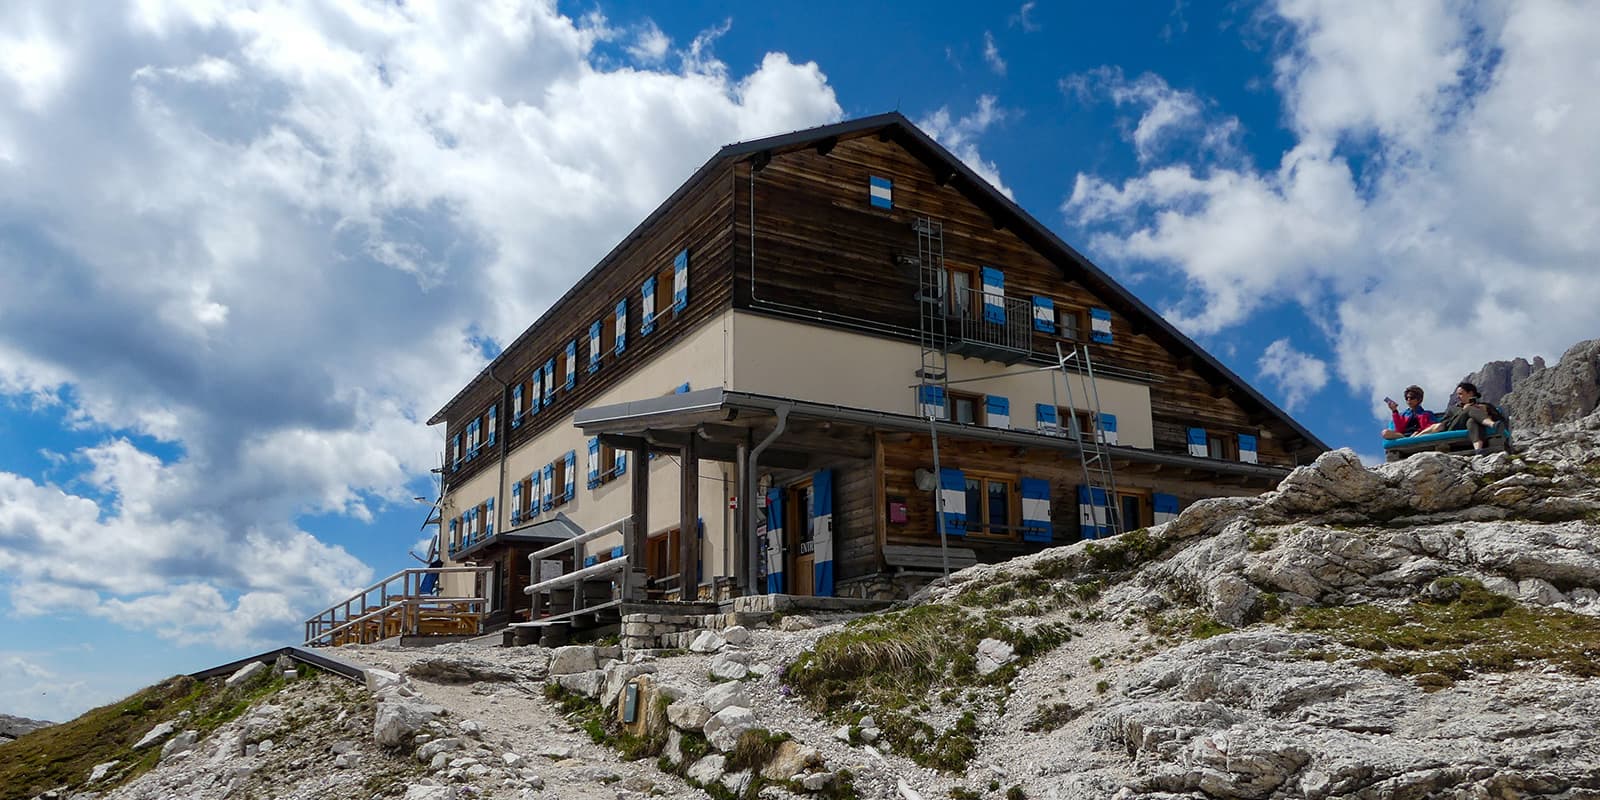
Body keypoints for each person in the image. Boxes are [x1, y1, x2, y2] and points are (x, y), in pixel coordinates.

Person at [1418, 381, 1509, 453]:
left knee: (1472, 421)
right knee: (1469, 409)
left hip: (1472, 425)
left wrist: (1487, 411)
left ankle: (1478, 450)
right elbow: (1445, 423)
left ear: (1470, 393)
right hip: (1454, 427)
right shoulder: (1453, 409)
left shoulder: (1484, 405)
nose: (1458, 397)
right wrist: (1463, 411)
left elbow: (1500, 419)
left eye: (1461, 394)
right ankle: (1492, 425)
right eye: (1458, 394)